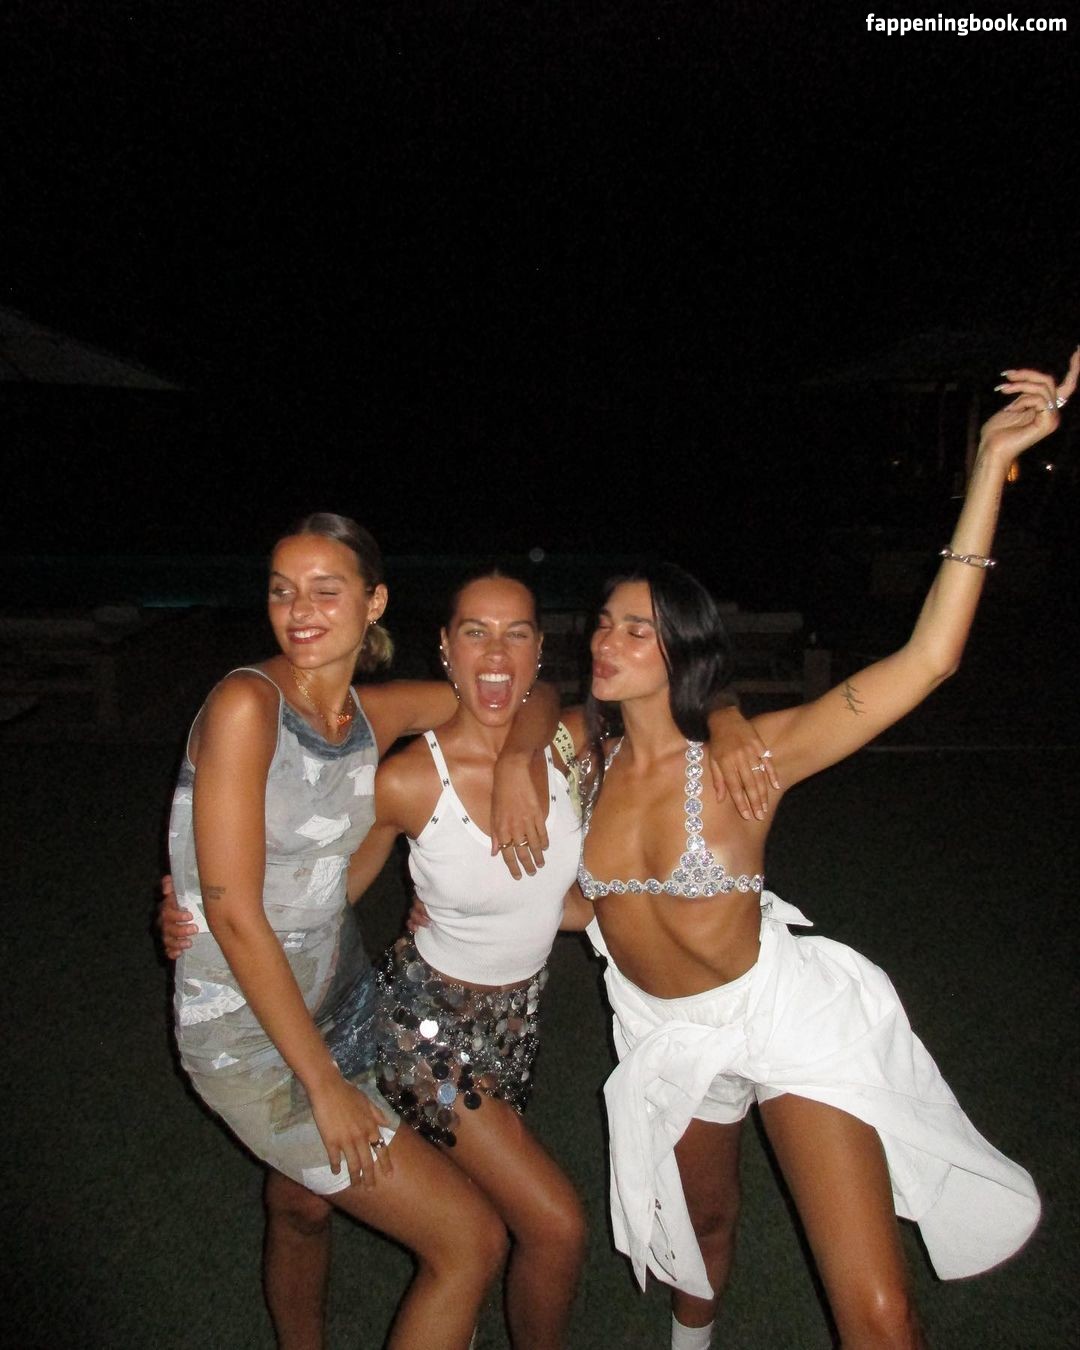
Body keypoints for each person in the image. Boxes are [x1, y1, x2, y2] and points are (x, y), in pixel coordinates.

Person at [563, 352, 1075, 1349]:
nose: (606, 643)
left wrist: (988, 470)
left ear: (682, 649)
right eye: (606, 625)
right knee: (704, 1227)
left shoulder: (748, 758)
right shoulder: (580, 758)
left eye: (636, 631)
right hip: (664, 1033)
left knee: (877, 1313)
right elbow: (587, 892)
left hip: (782, 1017)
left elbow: (928, 660)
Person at [163, 535, 773, 1349]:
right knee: (544, 1227)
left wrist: (719, 717)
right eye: (474, 633)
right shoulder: (403, 778)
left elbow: (637, 697)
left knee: (302, 1198)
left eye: (517, 633)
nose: (496, 652)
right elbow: (323, 883)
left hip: (508, 1027)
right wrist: (202, 902)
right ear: (444, 649)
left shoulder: (569, 744)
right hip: (425, 1029)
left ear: (540, 648)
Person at [166, 513, 568, 1350]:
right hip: (250, 1035)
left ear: (373, 602)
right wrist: (322, 1085)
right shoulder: (247, 705)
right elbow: (236, 915)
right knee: (469, 1242)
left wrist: (520, 760)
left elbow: (514, 692)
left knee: (302, 1202)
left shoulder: (369, 714)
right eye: (283, 591)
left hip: (344, 1001)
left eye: (326, 590)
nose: (299, 610)